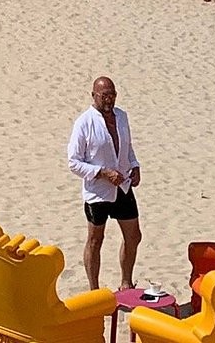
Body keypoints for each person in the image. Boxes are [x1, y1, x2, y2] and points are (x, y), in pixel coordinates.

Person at [68, 76, 141, 290]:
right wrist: (101, 173)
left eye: (113, 95)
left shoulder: (121, 117)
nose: (109, 100)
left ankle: (126, 282)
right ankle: (94, 289)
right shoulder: (84, 122)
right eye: (104, 96)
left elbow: (127, 147)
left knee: (134, 236)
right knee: (95, 240)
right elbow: (73, 162)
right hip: (98, 193)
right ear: (94, 96)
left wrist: (135, 166)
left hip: (123, 187)